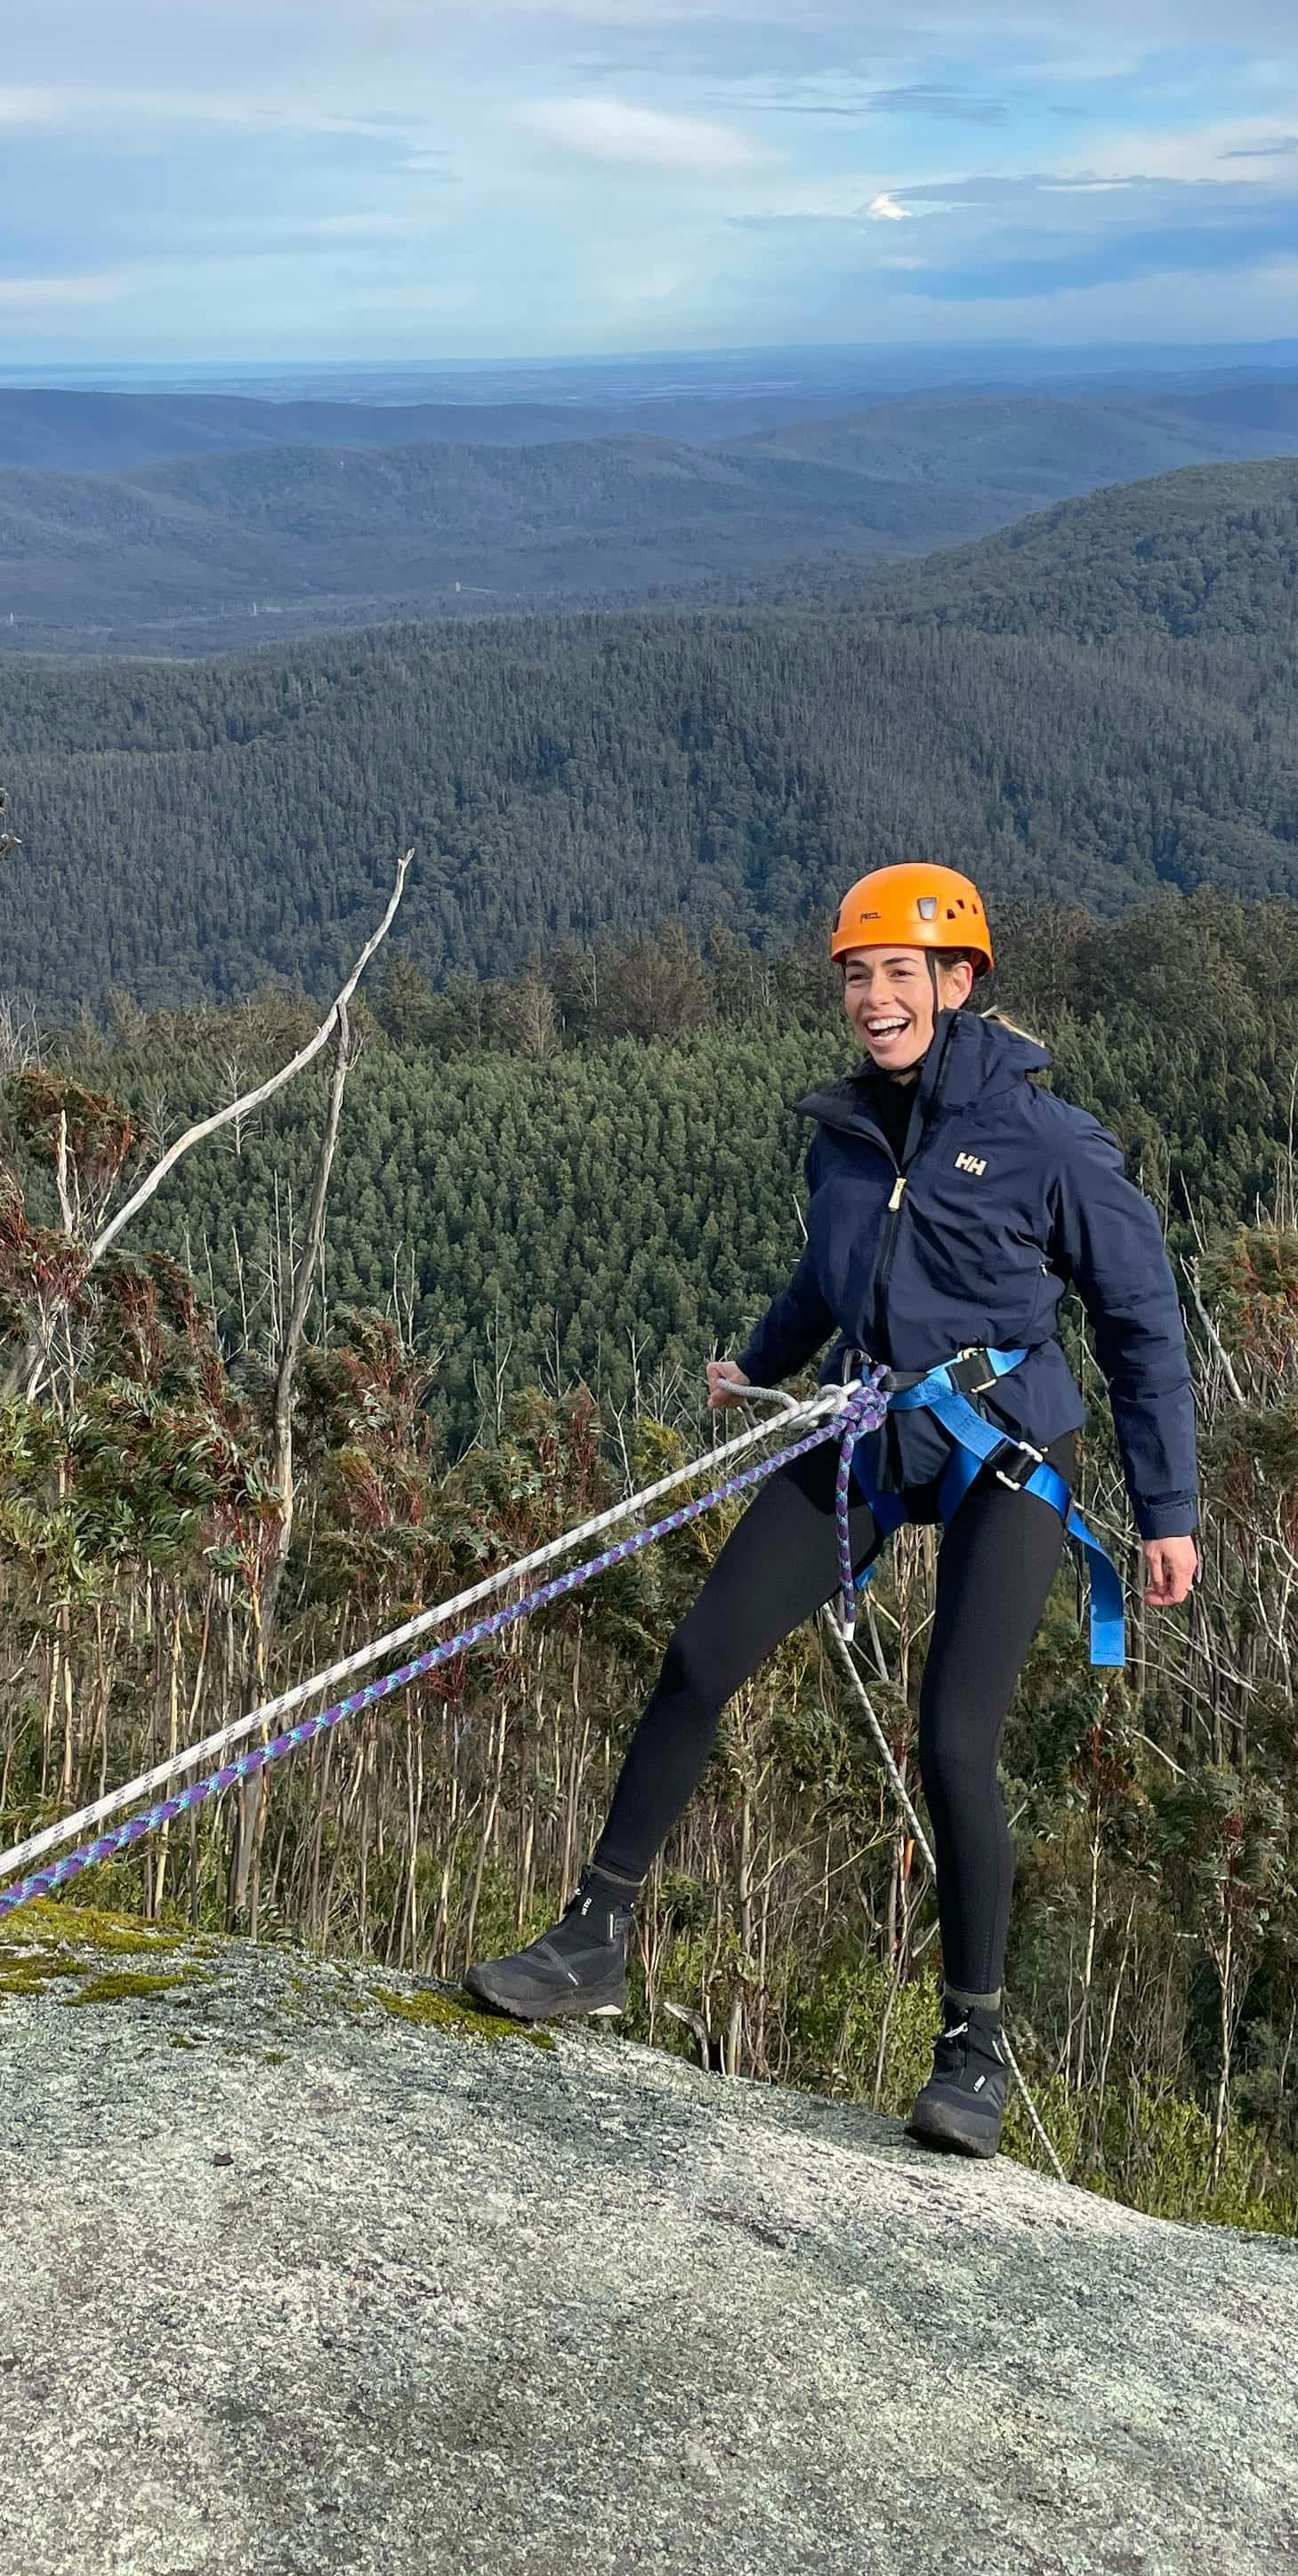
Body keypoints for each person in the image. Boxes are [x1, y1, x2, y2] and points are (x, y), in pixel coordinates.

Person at [466, 860, 1200, 2157]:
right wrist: (760, 1363)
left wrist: (1167, 1506)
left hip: (1004, 1447)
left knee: (954, 1738)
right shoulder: (847, 1131)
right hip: (868, 1424)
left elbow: (1140, 1321)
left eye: (898, 973)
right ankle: (595, 1935)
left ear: (959, 981)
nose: (873, 999)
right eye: (857, 977)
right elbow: (829, 1278)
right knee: (701, 1657)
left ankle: (973, 2049)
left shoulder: (1048, 1141)